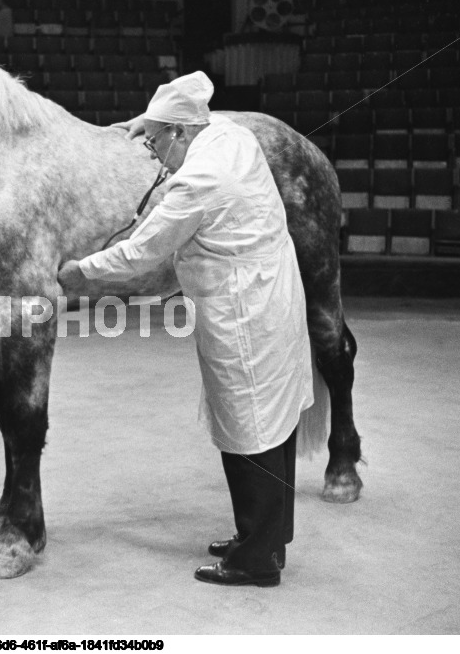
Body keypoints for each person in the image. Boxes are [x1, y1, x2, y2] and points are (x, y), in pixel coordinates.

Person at [58, 71, 313, 587]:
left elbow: (141, 251)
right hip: (272, 289)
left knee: (249, 428)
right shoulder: (230, 135)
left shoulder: (198, 181)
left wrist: (81, 271)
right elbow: (196, 116)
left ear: (179, 132)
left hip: (242, 308)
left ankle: (256, 561)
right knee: (271, 420)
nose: (152, 153)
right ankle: (266, 536)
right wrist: (147, 121)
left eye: (155, 141)